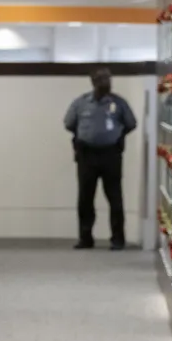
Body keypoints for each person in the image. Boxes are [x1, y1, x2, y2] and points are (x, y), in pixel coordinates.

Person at [64, 67, 137, 251]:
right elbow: (69, 123)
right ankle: (85, 238)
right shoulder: (81, 103)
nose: (106, 83)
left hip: (110, 154)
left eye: (108, 79)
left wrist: (116, 135)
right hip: (87, 155)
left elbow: (131, 123)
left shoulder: (118, 103)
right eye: (101, 79)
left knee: (115, 198)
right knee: (85, 198)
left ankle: (118, 239)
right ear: (93, 82)